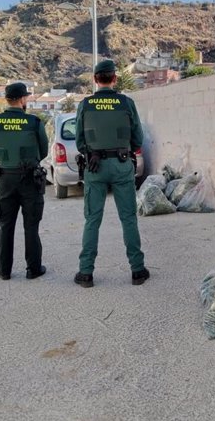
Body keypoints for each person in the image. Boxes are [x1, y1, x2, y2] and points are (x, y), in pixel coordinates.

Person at [73, 60, 149, 288]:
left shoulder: (85, 105)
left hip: (94, 167)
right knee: (128, 219)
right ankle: (137, 271)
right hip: (122, 164)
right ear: (114, 78)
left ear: (96, 80)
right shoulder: (126, 103)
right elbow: (138, 138)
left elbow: (79, 141)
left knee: (92, 220)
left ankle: (86, 273)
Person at [0, 82, 49, 280]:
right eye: (27, 98)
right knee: (31, 225)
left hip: (5, 177)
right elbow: (44, 151)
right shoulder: (34, 122)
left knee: (6, 225)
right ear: (22, 99)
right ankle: (33, 269)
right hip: (29, 178)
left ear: (7, 99)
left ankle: (4, 271)